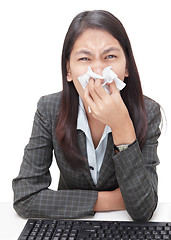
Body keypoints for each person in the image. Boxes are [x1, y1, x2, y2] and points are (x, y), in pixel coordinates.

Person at [12, 10, 161, 221]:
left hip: (121, 228)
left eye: (110, 56)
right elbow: (25, 197)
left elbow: (143, 209)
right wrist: (113, 200)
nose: (98, 71)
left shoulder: (148, 112)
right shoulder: (49, 109)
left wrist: (122, 127)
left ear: (127, 66)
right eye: (84, 58)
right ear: (69, 71)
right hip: (71, 223)